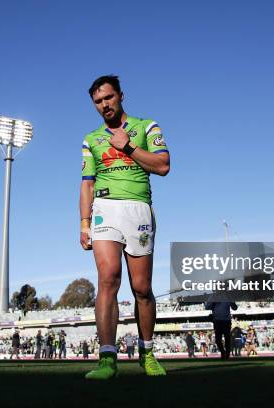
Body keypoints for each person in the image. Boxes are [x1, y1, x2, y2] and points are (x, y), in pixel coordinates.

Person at [80, 75, 170, 380]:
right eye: (98, 102)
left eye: (108, 98)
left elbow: (163, 166)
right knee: (108, 279)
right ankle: (107, 359)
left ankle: (147, 353)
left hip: (139, 210)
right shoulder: (91, 139)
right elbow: (86, 184)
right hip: (105, 210)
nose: (104, 105)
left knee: (142, 289)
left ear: (120, 96)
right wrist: (83, 223)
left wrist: (128, 146)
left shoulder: (147, 126)